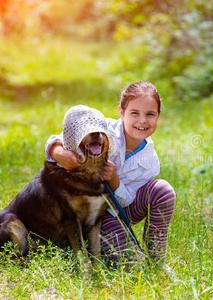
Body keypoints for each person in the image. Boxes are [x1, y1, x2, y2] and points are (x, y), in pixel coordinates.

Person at [45, 81, 176, 265]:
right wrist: (58, 153)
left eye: (150, 114)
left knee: (163, 190)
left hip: (118, 210)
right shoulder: (102, 129)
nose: (142, 121)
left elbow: (126, 201)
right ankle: (80, 242)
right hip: (90, 211)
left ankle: (157, 260)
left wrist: (114, 182)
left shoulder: (150, 162)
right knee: (130, 263)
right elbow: (59, 138)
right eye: (134, 113)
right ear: (121, 113)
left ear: (158, 116)